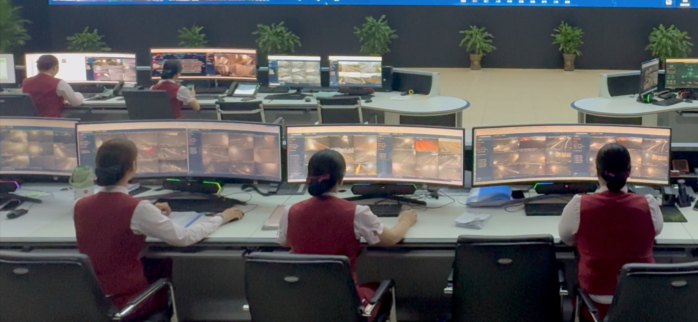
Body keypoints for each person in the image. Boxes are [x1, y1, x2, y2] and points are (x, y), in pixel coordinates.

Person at [74, 138, 243, 317]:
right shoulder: (137, 209)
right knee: (163, 262)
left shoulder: (80, 205)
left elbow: (109, 226)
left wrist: (150, 213)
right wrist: (221, 217)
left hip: (94, 302)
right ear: (133, 167)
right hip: (130, 303)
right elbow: (185, 238)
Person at [277, 149, 418, 316]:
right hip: (346, 306)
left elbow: (285, 243)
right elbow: (392, 238)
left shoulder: (290, 211)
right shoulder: (356, 213)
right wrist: (406, 219)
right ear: (341, 180)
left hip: (303, 304)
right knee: (379, 288)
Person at [558, 143, 664, 320]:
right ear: (629, 171)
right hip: (640, 299)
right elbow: (656, 231)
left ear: (597, 171)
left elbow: (567, 239)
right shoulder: (649, 205)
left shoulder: (578, 205)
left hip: (594, 303)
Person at [21, 54, 85, 117]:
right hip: (52, 121)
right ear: (55, 67)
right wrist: (80, 95)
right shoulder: (59, 83)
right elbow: (75, 102)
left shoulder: (25, 82)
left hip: (30, 122)